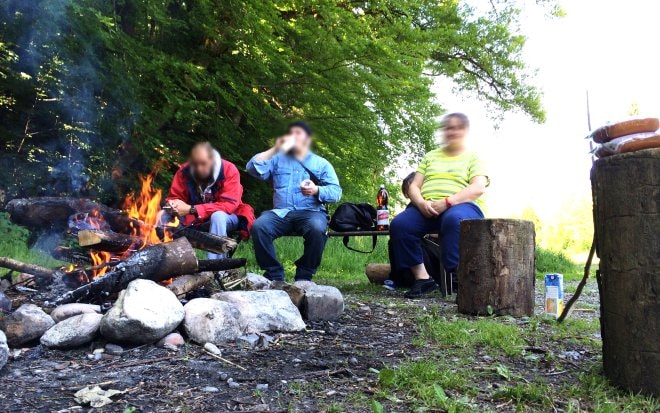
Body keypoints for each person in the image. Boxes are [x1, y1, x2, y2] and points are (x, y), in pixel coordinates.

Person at [390, 113, 489, 298]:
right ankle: (423, 278)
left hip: (460, 205)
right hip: (427, 207)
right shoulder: (431, 156)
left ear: (465, 131)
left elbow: (478, 187)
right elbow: (413, 186)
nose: (452, 131)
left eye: (458, 127)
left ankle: (457, 277)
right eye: (449, 127)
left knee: (453, 220)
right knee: (400, 225)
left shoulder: (472, 157)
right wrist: (420, 203)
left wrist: (448, 202)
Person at [246, 121, 342, 283]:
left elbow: (336, 192)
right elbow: (252, 168)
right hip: (281, 213)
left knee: (317, 229)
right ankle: (274, 275)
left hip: (311, 213)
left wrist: (316, 190)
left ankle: (304, 276)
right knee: (259, 226)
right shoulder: (276, 159)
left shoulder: (321, 163)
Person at [163, 142, 255, 259]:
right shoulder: (184, 171)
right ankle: (164, 262)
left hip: (228, 216)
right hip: (194, 219)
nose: (198, 168)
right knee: (162, 215)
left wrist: (192, 209)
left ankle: (216, 267)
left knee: (218, 216)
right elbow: (174, 197)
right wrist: (173, 204)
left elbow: (229, 205)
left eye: (203, 164)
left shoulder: (229, 170)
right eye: (195, 164)